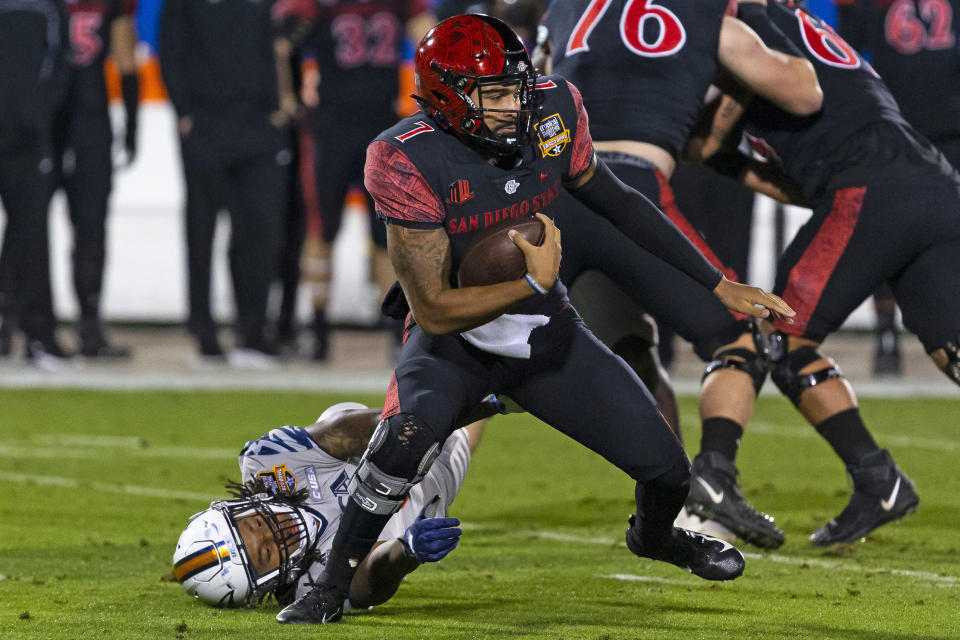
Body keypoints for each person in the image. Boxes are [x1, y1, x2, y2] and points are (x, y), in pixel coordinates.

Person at [275, 15, 797, 625]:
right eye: (493, 93)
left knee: (668, 471)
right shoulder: (403, 158)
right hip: (455, 346)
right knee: (403, 440)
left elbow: (620, 202)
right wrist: (529, 281)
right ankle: (329, 587)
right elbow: (435, 310)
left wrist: (717, 281)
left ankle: (654, 538)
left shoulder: (553, 108)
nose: (513, 104)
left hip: (547, 333)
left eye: (515, 87)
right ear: (447, 95)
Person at [536, 0, 822, 549]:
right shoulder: (702, 12)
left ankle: (401, 487)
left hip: (555, 194)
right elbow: (805, 92)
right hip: (632, 188)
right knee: (736, 337)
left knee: (487, 353)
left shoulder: (567, 8)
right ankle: (710, 480)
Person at [686, 0, 958, 545]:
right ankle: (876, 482)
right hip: (933, 184)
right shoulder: (795, 25)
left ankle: (722, 480)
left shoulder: (741, 30)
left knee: (774, 332)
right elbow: (785, 176)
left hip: (870, 188)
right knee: (953, 350)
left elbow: (711, 141)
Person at [174, 401, 492, 609]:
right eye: (267, 553)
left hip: (375, 438)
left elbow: (348, 431)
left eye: (255, 525)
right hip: (414, 495)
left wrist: (445, 403)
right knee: (457, 438)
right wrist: (405, 551)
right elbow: (368, 582)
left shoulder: (266, 462)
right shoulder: (311, 588)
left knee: (417, 412)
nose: (276, 532)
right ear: (267, 582)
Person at [274, 0, 435, 360]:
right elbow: (429, 38)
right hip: (347, 128)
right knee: (328, 231)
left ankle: (383, 333)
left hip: (365, 129)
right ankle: (324, 331)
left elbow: (283, 38)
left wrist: (289, 96)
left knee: (381, 235)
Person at [159, 0, 291, 365]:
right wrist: (183, 109)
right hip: (206, 121)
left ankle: (252, 332)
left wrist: (280, 104)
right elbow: (170, 45)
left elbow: (279, 39)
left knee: (260, 232)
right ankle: (203, 332)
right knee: (201, 230)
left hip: (259, 124)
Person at [833, 0, 960, 376]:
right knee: (890, 236)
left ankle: (890, 337)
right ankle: (889, 334)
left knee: (889, 234)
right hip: (913, 128)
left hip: (907, 128)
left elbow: (843, 55)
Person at [52, 0, 139, 358]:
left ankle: (18, 322)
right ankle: (85, 326)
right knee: (85, 231)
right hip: (76, 120)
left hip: (50, 118)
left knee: (35, 226)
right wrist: (133, 126)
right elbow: (126, 58)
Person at [0, 0, 70, 367]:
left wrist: (37, 112)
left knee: (32, 237)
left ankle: (39, 336)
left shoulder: (47, 6)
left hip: (27, 140)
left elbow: (60, 63)